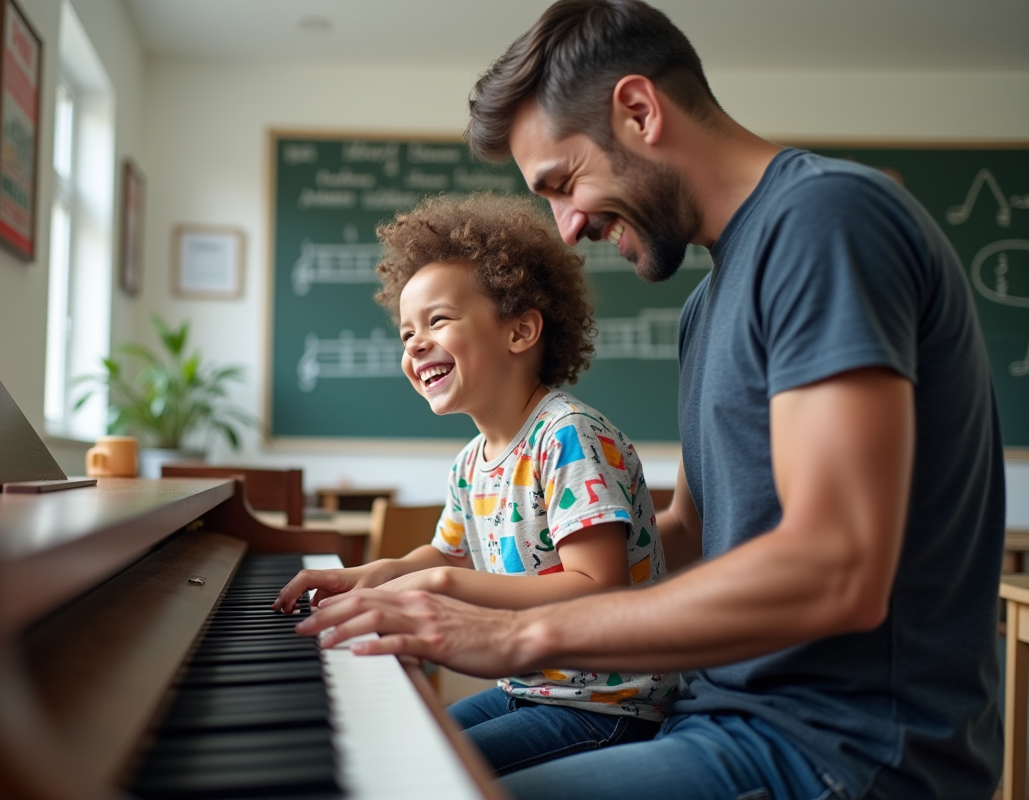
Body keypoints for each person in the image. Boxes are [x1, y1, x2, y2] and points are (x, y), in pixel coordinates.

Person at [292, 2, 1007, 799]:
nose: (565, 229)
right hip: (718, 715)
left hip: (844, 753)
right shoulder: (708, 305)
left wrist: (518, 629)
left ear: (638, 111)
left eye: (564, 184)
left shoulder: (825, 219)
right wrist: (414, 581)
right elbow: (686, 533)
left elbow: (834, 568)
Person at [273, 191, 676, 774]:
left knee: (422, 769)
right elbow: (446, 550)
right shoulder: (470, 463)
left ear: (520, 331)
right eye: (406, 330)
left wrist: (440, 582)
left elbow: (596, 583)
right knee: (402, 742)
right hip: (534, 688)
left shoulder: (568, 435)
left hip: (610, 703)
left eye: (437, 320)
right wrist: (368, 574)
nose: (413, 342)